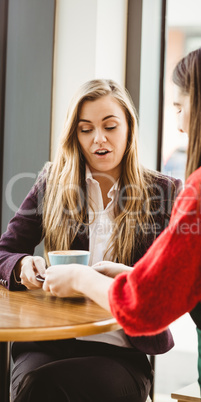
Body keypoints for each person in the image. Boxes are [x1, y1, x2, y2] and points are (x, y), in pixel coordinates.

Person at [41, 43, 201, 402]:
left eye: (180, 106)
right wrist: (130, 275)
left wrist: (80, 277)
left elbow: (145, 307)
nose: (178, 123)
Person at [0, 79, 181, 402]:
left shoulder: (163, 192)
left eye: (110, 126)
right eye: (86, 130)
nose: (99, 139)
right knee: (36, 383)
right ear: (75, 136)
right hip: (47, 342)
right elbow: (6, 250)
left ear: (129, 128)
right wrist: (21, 265)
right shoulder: (52, 183)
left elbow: (170, 285)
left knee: (42, 387)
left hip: (121, 353)